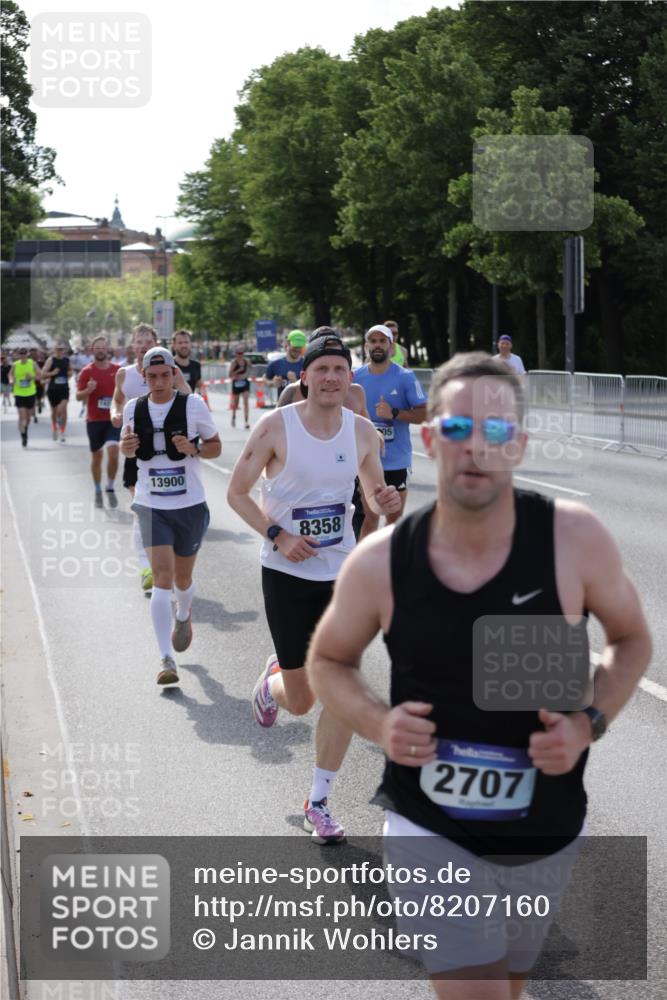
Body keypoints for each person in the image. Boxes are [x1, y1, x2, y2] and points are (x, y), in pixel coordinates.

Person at [307, 351, 652, 998]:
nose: (476, 446)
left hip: (545, 819)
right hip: (428, 822)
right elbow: (327, 660)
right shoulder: (383, 559)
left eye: (494, 430)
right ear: (430, 439)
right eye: (458, 428)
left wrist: (588, 723)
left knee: (511, 977)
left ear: (518, 444)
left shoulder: (572, 538)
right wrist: (379, 723)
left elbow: (631, 639)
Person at [227, 334, 401, 843]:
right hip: (286, 575)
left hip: (341, 576)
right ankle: (272, 684)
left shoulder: (363, 431)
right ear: (304, 376)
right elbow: (236, 493)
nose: (330, 378)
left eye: (339, 369)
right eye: (321, 369)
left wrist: (386, 501)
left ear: (350, 378)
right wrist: (278, 535)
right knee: (302, 701)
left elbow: (373, 497)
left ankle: (319, 802)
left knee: (341, 690)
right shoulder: (274, 426)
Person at [120, 347, 221, 685]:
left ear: (175, 374)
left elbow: (216, 446)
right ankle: (166, 658)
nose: (159, 382)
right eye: (152, 377)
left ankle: (183, 612)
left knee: (182, 580)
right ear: (144, 377)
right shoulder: (133, 408)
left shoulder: (193, 405)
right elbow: (125, 446)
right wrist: (126, 448)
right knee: (162, 579)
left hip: (189, 504)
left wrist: (195, 448)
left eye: (165, 375)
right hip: (151, 505)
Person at [112, 323, 191, 593]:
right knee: (141, 508)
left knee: (167, 512)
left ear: (156, 344)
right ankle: (147, 566)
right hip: (137, 447)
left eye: (148, 341)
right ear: (133, 345)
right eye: (139, 341)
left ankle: (166, 560)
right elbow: (117, 401)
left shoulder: (167, 370)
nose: (143, 345)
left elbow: (189, 399)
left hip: (169, 452)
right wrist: (115, 413)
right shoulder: (124, 374)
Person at [278, 328, 374, 541]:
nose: (330, 373)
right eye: (322, 364)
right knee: (306, 544)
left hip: (346, 474)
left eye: (338, 364)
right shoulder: (292, 392)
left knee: (357, 524)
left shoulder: (356, 392)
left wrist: (376, 437)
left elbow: (366, 426)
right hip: (302, 481)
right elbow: (277, 434)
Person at [353, 324, 427, 536]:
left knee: (393, 520)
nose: (377, 345)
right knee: (369, 518)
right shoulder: (354, 378)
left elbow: (424, 414)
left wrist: (394, 413)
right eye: (373, 341)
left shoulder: (405, 377)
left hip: (396, 460)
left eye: (382, 341)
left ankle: (388, 555)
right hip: (365, 460)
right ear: (366, 346)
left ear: (391, 347)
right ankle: (364, 557)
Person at [76, 336, 120, 507]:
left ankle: (110, 487)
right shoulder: (86, 372)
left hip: (113, 419)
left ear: (107, 349)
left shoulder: (118, 370)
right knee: (97, 457)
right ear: (92, 350)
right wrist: (88, 390)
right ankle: (97, 489)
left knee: (113, 452)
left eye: (103, 347)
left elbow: (124, 392)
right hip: (94, 420)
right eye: (97, 348)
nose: (100, 350)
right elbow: (78, 396)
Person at [9, 347, 41, 446]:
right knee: (22, 415)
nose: (22, 356)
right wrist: (11, 380)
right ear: (18, 355)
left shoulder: (32, 363)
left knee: (28, 417)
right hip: (19, 393)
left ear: (27, 354)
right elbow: (10, 374)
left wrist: (32, 377)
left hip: (30, 393)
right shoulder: (15, 364)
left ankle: (25, 430)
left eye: (24, 354)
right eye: (21, 354)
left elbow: (39, 375)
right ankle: (23, 436)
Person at [263, 330, 307, 399]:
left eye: (300, 347)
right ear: (287, 343)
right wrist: (273, 383)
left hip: (301, 404)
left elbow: (312, 388)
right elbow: (265, 379)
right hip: (282, 404)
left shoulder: (307, 365)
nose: (298, 349)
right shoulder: (276, 364)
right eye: (295, 346)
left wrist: (296, 383)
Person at [41, 343, 71, 441]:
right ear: (54, 350)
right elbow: (43, 373)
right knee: (54, 412)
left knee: (63, 410)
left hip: (64, 388)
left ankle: (62, 431)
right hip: (53, 389)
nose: (60, 351)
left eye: (61, 349)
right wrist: (52, 373)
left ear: (64, 350)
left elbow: (70, 371)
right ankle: (54, 428)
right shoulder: (51, 360)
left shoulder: (67, 360)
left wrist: (70, 373)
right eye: (58, 349)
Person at [227, 344, 253, 429]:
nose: (240, 355)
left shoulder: (246, 361)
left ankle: (246, 421)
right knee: (236, 403)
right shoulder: (234, 362)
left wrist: (247, 372)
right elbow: (230, 375)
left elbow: (252, 368)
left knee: (246, 401)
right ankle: (234, 416)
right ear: (236, 353)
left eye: (241, 353)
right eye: (238, 353)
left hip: (244, 382)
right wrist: (238, 370)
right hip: (236, 383)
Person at [171, 329, 203, 395]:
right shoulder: (169, 365)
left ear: (191, 344)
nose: (184, 345)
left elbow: (199, 387)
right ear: (174, 345)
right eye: (180, 343)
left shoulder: (196, 365)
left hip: (190, 401)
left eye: (186, 342)